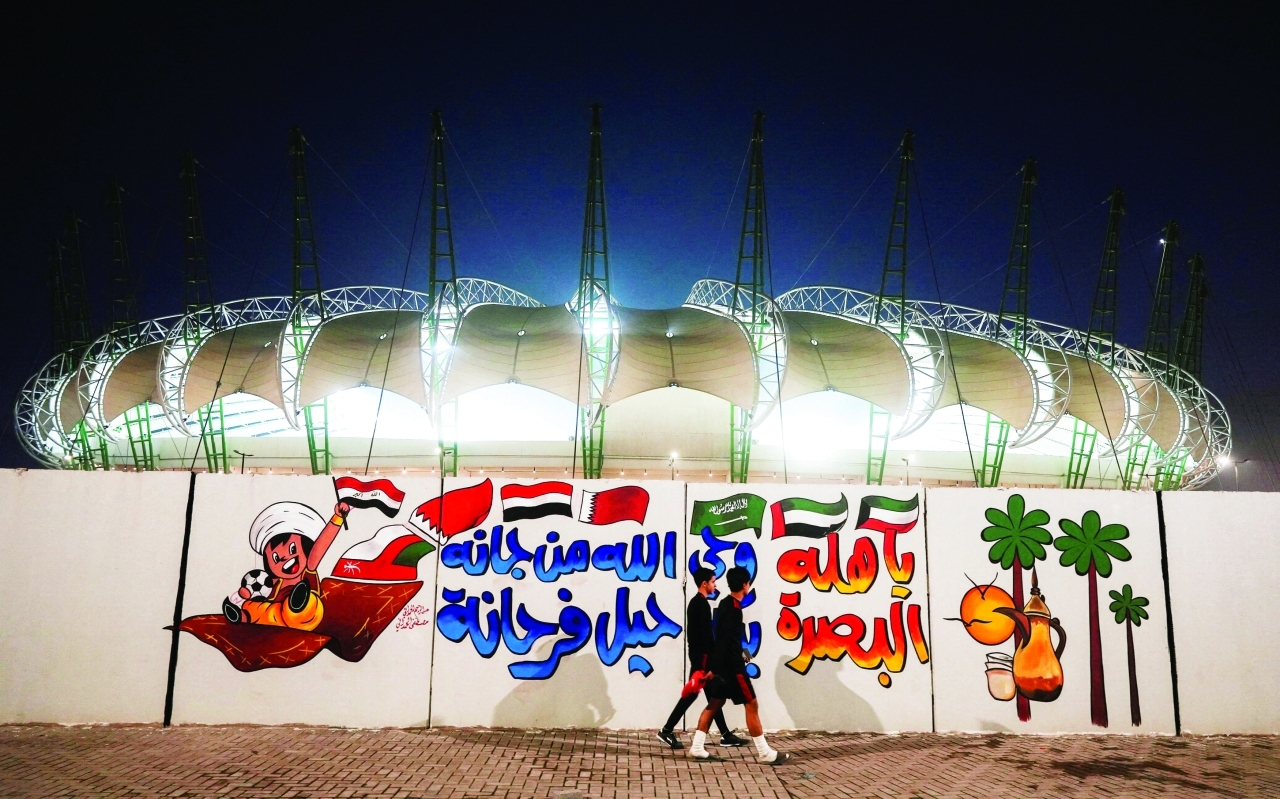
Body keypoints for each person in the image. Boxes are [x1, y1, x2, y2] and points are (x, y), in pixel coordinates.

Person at [692, 566, 789, 765]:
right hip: (733, 668)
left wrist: (742, 652)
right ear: (745, 585)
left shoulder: (726, 604)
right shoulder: (734, 610)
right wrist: (715, 669)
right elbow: (724, 642)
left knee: (715, 704)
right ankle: (764, 753)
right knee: (751, 704)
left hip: (726, 665)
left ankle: (696, 747)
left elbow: (728, 638)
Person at [222, 500, 350, 630]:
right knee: (255, 608)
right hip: (275, 613)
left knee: (310, 607)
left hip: (300, 615)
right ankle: (242, 616)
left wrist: (337, 518)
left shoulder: (308, 569)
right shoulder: (270, 581)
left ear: (306, 549)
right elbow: (258, 592)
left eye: (293, 549)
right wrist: (246, 593)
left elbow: (321, 546)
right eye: (276, 558)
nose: (285, 558)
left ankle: (298, 602)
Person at [656, 568, 748, 749]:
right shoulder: (701, 605)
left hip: (701, 658)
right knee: (694, 697)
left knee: (715, 696)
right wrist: (709, 663)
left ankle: (725, 734)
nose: (716, 585)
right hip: (703, 661)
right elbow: (706, 638)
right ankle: (666, 731)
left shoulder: (696, 603)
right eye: (713, 581)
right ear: (704, 583)